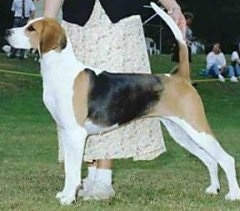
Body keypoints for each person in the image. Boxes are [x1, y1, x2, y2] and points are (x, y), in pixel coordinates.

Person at [43, 0, 186, 200]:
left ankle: (103, 177)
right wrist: (47, 22)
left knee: (113, 98)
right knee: (78, 106)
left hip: (120, 26)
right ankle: (92, 175)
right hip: (78, 25)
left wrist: (173, 7)